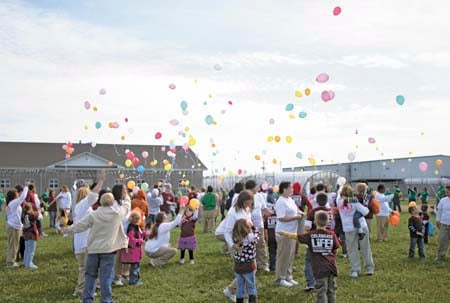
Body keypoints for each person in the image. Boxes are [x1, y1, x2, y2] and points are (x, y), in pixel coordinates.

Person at [66, 192, 130, 303]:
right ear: (112, 201)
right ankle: (106, 300)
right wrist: (126, 196)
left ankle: (87, 299)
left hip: (93, 250)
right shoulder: (117, 214)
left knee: (90, 276)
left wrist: (68, 229)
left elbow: (80, 225)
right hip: (108, 250)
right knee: (105, 277)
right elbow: (127, 207)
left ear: (100, 201)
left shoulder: (93, 215)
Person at [279, 211, 340, 303]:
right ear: (328, 222)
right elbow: (336, 248)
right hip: (331, 267)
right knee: (331, 290)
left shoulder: (311, 235)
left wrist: (284, 233)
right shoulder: (332, 234)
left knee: (321, 291)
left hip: (319, 268)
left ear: (315, 222)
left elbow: (297, 237)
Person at [71, 171, 105, 298]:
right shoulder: (82, 206)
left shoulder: (79, 207)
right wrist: (101, 181)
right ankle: (80, 289)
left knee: (88, 267)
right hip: (84, 243)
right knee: (85, 268)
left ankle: (93, 285)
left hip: (82, 242)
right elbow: (93, 196)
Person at [223, 190, 254, 302]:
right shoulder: (233, 212)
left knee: (250, 270)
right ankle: (244, 297)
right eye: (247, 203)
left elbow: (248, 225)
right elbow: (227, 231)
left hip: (248, 244)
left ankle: (231, 290)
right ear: (241, 201)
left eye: (250, 203)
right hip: (238, 245)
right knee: (246, 271)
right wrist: (233, 245)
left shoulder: (247, 210)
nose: (249, 205)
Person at [337, 185, 374, 278]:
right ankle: (369, 268)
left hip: (348, 228)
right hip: (362, 226)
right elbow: (365, 211)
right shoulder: (354, 201)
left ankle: (355, 270)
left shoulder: (339, 201)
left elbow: (339, 196)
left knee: (352, 250)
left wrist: (340, 186)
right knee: (365, 247)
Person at [274, 181, 304, 287]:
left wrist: (301, 213)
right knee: (283, 256)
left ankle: (288, 276)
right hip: (284, 233)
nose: (292, 190)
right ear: (284, 189)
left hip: (292, 232)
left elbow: (296, 210)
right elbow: (281, 218)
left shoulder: (290, 200)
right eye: (290, 188)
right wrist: (296, 217)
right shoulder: (280, 202)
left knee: (290, 255)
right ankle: (280, 278)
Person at [304, 192, 334, 291]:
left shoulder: (313, 212)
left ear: (316, 201)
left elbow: (307, 226)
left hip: (314, 238)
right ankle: (327, 281)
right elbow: (333, 225)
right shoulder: (330, 211)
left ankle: (311, 283)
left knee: (309, 261)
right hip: (328, 238)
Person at [246, 180, 271, 272]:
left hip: (258, 224)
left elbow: (264, 209)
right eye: (256, 186)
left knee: (261, 244)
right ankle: (251, 264)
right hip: (247, 226)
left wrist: (274, 213)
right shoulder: (244, 196)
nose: (258, 188)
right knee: (249, 245)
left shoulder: (259, 196)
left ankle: (263, 265)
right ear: (252, 187)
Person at [232, 219, 259, 303]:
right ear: (247, 228)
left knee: (240, 287)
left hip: (238, 265)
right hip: (249, 266)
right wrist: (253, 227)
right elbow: (257, 235)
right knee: (251, 286)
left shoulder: (236, 239)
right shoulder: (251, 238)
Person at [5, 183, 29, 267]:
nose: (18, 194)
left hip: (14, 226)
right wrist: (26, 186)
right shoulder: (13, 203)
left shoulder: (12, 203)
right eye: (17, 194)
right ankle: (10, 262)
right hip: (13, 227)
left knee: (14, 245)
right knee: (13, 245)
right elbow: (23, 197)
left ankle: (11, 260)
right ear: (13, 196)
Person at [121, 211, 147, 285]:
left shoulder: (136, 227)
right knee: (134, 267)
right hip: (133, 251)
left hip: (136, 251)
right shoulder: (131, 228)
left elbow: (139, 235)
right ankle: (133, 281)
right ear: (137, 220)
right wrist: (140, 241)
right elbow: (131, 240)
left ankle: (136, 280)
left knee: (136, 266)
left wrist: (144, 234)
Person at [21, 202, 40, 269]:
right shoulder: (31, 215)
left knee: (27, 249)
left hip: (26, 234)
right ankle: (29, 264)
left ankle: (25, 262)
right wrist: (39, 210)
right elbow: (38, 215)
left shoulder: (24, 215)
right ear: (30, 209)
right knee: (31, 250)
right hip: (31, 235)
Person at [435, 186, 450, 261]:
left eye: (447, 191)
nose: (446, 193)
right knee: (442, 240)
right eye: (446, 191)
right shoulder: (443, 200)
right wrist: (438, 220)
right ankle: (440, 256)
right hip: (444, 224)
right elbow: (439, 211)